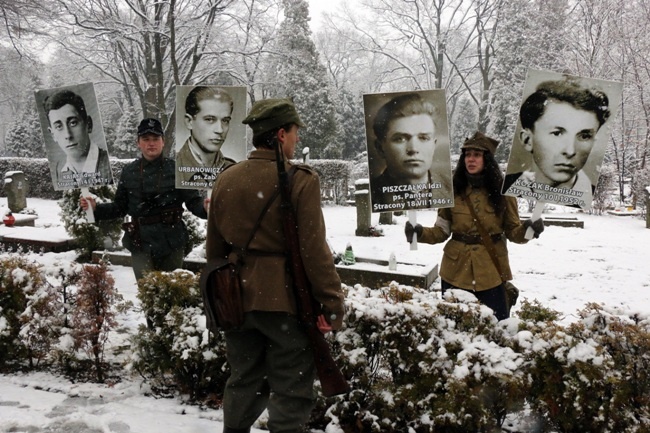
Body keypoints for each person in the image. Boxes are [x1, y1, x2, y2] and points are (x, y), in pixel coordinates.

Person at [206, 98, 345, 433]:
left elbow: (214, 249)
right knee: (291, 390)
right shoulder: (301, 180)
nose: (297, 140)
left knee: (243, 382)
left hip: (236, 301)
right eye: (295, 132)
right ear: (281, 134)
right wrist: (332, 303)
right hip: (284, 301)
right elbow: (314, 250)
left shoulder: (227, 177)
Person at [405, 132, 544, 320]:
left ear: (487, 159)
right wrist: (419, 233)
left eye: (477, 155)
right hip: (455, 271)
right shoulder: (452, 189)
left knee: (495, 326)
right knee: (453, 327)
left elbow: (513, 232)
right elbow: (441, 230)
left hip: (491, 272)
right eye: (467, 154)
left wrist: (529, 230)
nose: (471, 159)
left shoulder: (503, 192)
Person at [80, 118, 209, 291]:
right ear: (138, 143)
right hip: (140, 242)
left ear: (163, 141)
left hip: (171, 240)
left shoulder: (177, 169)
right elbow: (120, 206)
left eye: (155, 139)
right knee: (147, 294)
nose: (151, 144)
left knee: (171, 294)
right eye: (146, 139)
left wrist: (207, 209)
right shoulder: (129, 171)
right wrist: (96, 209)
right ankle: (150, 320)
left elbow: (193, 201)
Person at [502, 78, 611, 208]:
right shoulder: (504, 187)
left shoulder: (594, 200)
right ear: (527, 140)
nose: (570, 151)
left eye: (584, 136)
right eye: (557, 133)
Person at [369, 93, 451, 211]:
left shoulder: (453, 190)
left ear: (434, 144)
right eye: (400, 139)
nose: (413, 149)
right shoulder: (371, 196)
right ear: (380, 148)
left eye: (423, 138)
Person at [43, 89, 112, 189]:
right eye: (59, 127)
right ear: (53, 134)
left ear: (88, 124)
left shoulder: (109, 165)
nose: (68, 135)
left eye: (73, 123)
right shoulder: (59, 169)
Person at [176, 86, 236, 189]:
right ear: (189, 122)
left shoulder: (233, 169)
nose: (220, 130)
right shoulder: (173, 166)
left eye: (225, 120)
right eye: (209, 119)